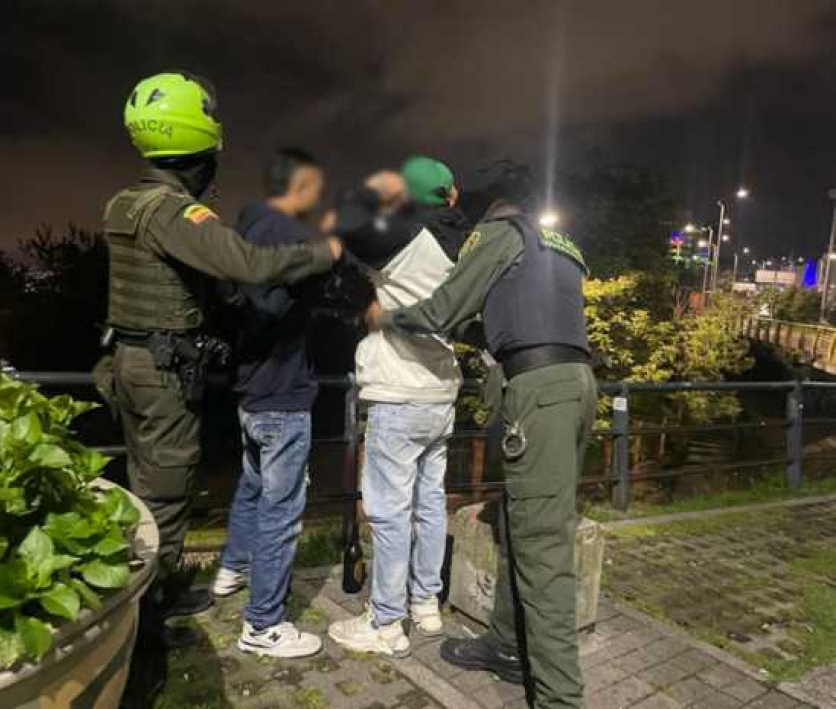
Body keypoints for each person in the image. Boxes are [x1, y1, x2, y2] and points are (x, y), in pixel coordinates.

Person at [102, 72, 341, 635]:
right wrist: (321, 252)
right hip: (160, 374)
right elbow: (248, 265)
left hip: (129, 364)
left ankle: (159, 596)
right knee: (164, 495)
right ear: (197, 151)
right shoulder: (170, 212)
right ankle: (144, 623)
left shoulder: (126, 203)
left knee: (147, 488)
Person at [366, 159, 597, 709]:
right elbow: (514, 316)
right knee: (523, 529)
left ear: (491, 207)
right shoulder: (561, 244)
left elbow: (445, 311)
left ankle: (561, 698)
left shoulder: (499, 233)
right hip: (576, 385)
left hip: (539, 392)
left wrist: (386, 317)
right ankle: (505, 643)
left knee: (542, 550)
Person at [327, 157, 469, 658]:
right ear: (450, 194)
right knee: (430, 503)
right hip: (442, 390)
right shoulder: (465, 244)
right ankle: (425, 604)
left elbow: (338, 219)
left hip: (398, 390)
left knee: (388, 512)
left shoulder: (402, 234)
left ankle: (386, 622)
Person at [210, 148, 327, 658]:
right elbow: (271, 307)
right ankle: (262, 625)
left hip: (252, 390)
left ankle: (231, 571)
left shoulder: (247, 228)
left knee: (253, 488)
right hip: (282, 392)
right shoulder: (283, 231)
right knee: (282, 512)